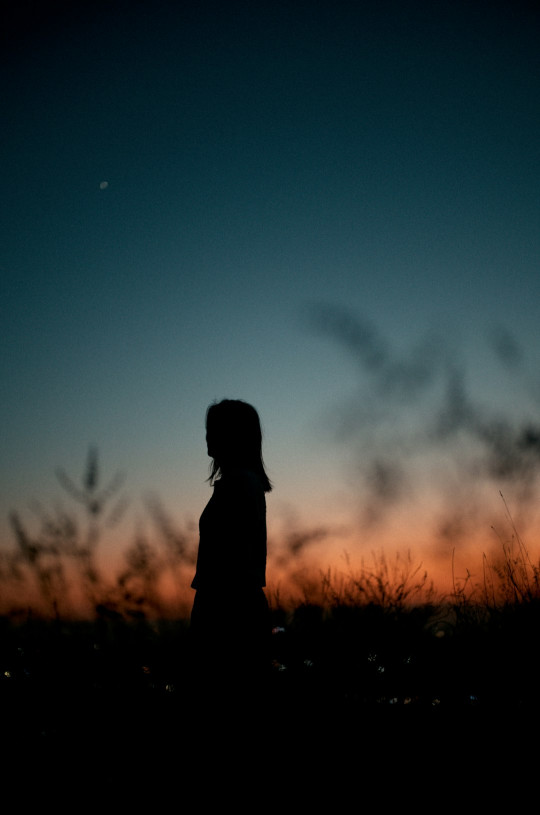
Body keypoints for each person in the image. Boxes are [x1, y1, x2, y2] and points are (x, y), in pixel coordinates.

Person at [189, 399, 273, 707]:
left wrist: (210, 617)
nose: (208, 438)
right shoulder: (239, 484)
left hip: (228, 613)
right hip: (229, 608)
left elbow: (235, 562)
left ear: (233, 435)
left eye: (214, 430)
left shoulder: (240, 485)